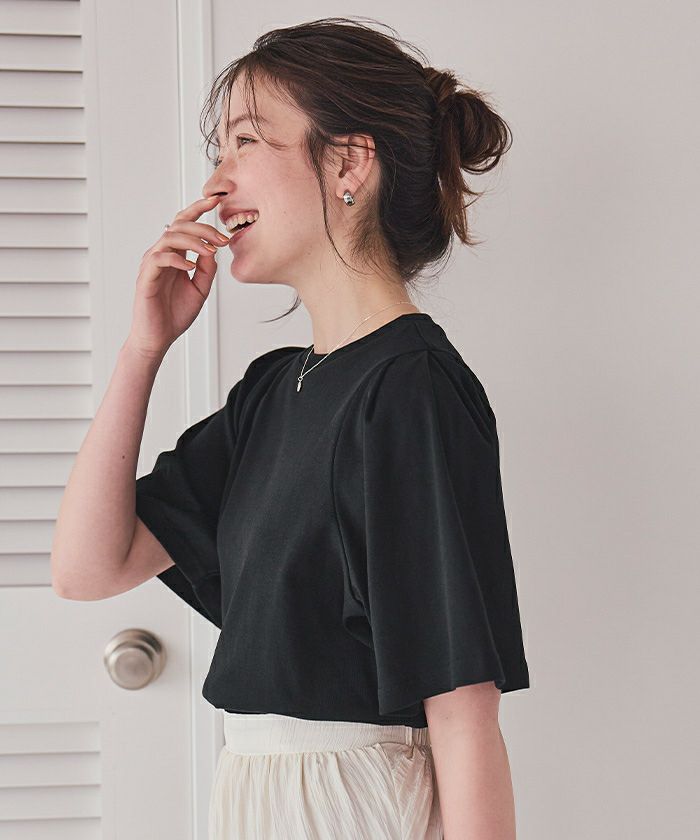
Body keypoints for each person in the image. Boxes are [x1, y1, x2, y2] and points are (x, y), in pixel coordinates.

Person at [52, 16, 530, 840]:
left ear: (348, 163)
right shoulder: (275, 392)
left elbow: (462, 707)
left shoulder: (409, 389)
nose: (215, 182)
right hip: (258, 795)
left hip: (351, 803)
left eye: (245, 142)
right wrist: (143, 348)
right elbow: (88, 568)